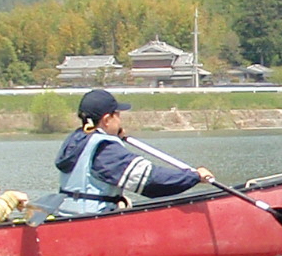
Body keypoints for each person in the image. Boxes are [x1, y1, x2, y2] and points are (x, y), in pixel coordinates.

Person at [52, 89, 216, 217]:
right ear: (107, 120)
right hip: (92, 220)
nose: (120, 120)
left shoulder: (77, 140)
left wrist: (112, 134)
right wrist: (193, 176)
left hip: (72, 215)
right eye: (118, 115)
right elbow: (151, 182)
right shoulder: (106, 150)